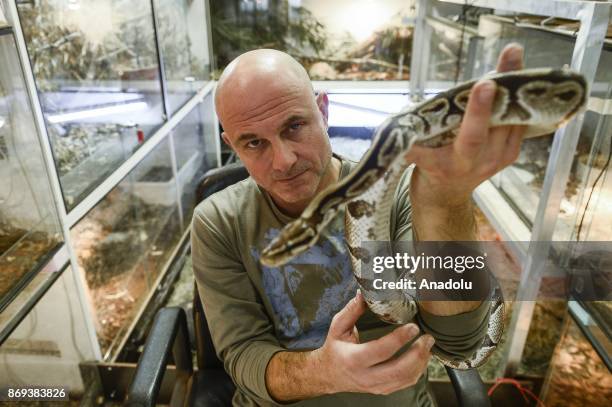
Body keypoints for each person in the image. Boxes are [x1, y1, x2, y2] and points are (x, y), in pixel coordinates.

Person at [191, 44, 525, 406]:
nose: (284, 161)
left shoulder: (396, 194)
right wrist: (324, 371)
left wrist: (445, 201)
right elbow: (243, 355)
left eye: (295, 126)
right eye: (254, 143)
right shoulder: (218, 222)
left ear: (323, 109)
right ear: (232, 146)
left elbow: (459, 342)